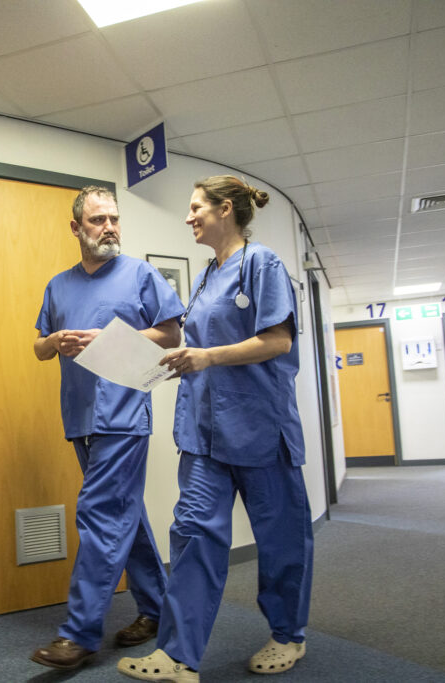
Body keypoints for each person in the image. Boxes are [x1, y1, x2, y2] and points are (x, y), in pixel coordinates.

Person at [118, 176, 314, 681]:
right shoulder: (206, 276)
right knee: (192, 536)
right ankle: (177, 655)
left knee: (280, 541)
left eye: (195, 208)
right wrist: (142, 358)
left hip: (260, 428)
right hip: (204, 434)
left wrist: (206, 356)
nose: (188, 218)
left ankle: (288, 635)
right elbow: (195, 347)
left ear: (225, 210)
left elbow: (277, 341)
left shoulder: (261, 263)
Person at [31, 186, 186, 670]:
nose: (110, 227)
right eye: (98, 220)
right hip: (80, 417)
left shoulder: (139, 274)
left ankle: (78, 634)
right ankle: (157, 610)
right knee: (125, 513)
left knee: (100, 513)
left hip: (122, 415)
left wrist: (110, 337)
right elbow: (37, 347)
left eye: (114, 219)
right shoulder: (59, 285)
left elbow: (171, 334)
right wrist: (53, 341)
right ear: (77, 228)